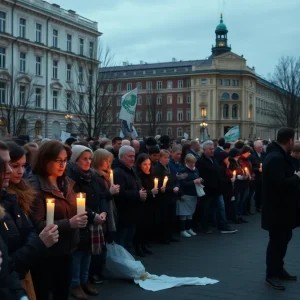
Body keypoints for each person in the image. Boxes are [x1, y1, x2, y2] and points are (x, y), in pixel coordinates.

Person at [28, 141, 88, 300]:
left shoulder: (65, 182)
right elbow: (38, 224)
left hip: (66, 250)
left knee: (62, 292)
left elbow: (73, 206)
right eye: (58, 160)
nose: (63, 165)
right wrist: (70, 223)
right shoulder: (35, 186)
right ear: (45, 160)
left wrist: (86, 215)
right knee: (44, 293)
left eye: (65, 160)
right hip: (46, 254)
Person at [262, 128, 300, 290]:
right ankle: (271, 275)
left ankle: (279, 269)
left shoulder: (279, 156)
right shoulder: (275, 157)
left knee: (284, 238)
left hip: (284, 209)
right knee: (277, 242)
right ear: (290, 140)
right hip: (277, 209)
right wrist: (296, 177)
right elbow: (279, 184)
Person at [67, 145, 106, 299]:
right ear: (75, 160)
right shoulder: (71, 177)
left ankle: (85, 280)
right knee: (78, 253)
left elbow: (102, 195)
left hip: (94, 218)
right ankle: (75, 284)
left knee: (88, 252)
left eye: (90, 158)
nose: (88, 162)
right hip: (81, 219)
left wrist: (103, 211)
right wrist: (93, 215)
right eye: (84, 159)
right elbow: (76, 200)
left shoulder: (92, 175)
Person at [91, 149, 119, 284]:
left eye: (110, 161)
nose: (108, 164)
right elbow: (99, 197)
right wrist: (110, 192)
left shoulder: (106, 175)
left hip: (108, 211)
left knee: (104, 244)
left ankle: (100, 270)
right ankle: (95, 273)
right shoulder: (95, 176)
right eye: (105, 161)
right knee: (99, 246)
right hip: (101, 213)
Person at [113, 146, 146, 253]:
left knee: (128, 243)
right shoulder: (118, 172)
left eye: (134, 156)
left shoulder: (131, 170)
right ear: (122, 157)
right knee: (122, 244)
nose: (133, 159)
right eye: (130, 156)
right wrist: (137, 194)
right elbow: (120, 194)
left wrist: (142, 191)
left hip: (132, 214)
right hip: (124, 215)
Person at [153, 150, 179, 243]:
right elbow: (159, 184)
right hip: (163, 197)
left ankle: (169, 235)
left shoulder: (168, 167)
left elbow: (172, 179)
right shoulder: (157, 169)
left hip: (170, 195)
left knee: (171, 217)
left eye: (168, 158)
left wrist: (176, 185)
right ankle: (163, 237)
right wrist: (170, 188)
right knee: (164, 217)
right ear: (160, 158)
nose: (167, 160)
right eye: (165, 157)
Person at [135, 154, 158, 256]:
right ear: (140, 165)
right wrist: (150, 191)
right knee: (141, 226)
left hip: (150, 204)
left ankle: (144, 245)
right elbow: (141, 190)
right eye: (145, 164)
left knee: (147, 225)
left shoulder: (151, 174)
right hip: (142, 204)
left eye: (149, 164)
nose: (147, 166)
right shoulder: (139, 176)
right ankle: (138, 246)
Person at [177, 154, 201, 238]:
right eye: (191, 163)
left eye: (194, 163)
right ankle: (183, 230)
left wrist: (200, 180)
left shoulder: (196, 170)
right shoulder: (183, 170)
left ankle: (189, 228)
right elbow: (182, 183)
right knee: (184, 213)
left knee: (190, 213)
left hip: (193, 194)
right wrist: (194, 182)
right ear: (186, 162)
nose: (192, 164)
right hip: (186, 194)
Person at [250, 140, 266, 212]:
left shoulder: (263, 154)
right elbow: (250, 167)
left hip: (263, 176)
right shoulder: (252, 155)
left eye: (261, 147)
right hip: (256, 176)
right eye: (259, 147)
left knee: (262, 192)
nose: (261, 149)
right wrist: (257, 169)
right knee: (257, 192)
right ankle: (257, 206)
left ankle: (261, 205)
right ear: (255, 147)